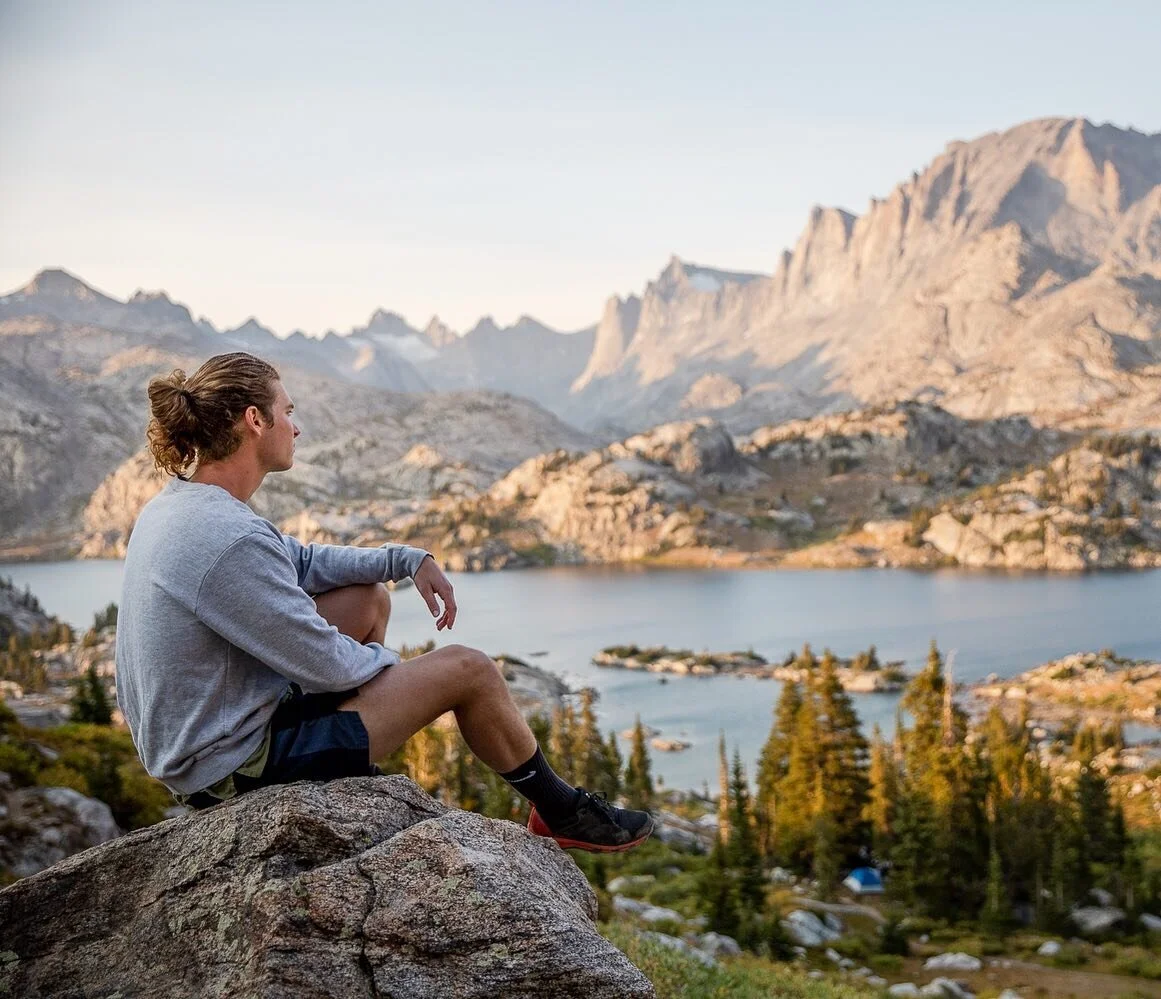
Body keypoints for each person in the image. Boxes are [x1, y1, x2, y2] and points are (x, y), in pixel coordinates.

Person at [114, 351, 652, 853]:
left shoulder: (187, 505)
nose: (296, 427)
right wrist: (404, 678)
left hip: (209, 739)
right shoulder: (226, 538)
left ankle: (347, 751)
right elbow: (328, 666)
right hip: (231, 768)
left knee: (367, 600)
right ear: (255, 420)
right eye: (288, 412)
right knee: (470, 669)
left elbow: (300, 564)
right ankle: (561, 813)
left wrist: (405, 559)